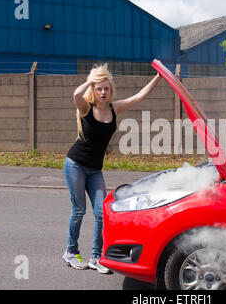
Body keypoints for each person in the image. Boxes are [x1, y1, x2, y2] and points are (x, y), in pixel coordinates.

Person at [62, 64, 161, 273]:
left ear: (111, 90)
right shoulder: (86, 108)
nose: (103, 92)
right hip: (75, 165)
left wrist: (159, 76)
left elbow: (140, 96)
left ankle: (96, 257)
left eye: (106, 88)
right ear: (94, 91)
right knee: (79, 210)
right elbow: (76, 93)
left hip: (95, 169)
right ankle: (71, 252)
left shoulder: (115, 109)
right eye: (99, 89)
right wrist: (93, 79)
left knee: (101, 213)